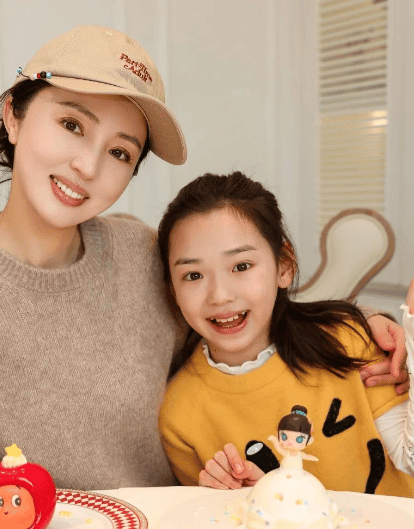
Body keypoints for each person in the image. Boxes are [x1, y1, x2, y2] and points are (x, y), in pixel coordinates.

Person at [0, 29, 405, 529]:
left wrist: (364, 325)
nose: (88, 166)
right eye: (71, 124)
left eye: (120, 152)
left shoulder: (142, 253)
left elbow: (239, 326)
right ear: (13, 116)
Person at [157, 171, 414, 497]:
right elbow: (215, 519)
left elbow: (410, 460)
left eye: (241, 266)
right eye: (193, 275)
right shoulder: (179, 414)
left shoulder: (349, 341)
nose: (219, 296)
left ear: (284, 266)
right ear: (172, 290)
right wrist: (223, 495)